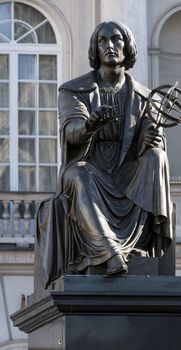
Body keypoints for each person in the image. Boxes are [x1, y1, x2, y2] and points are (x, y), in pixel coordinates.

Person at [37, 21, 173, 288]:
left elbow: (150, 136)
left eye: (116, 39)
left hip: (126, 173)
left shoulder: (145, 97)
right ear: (95, 48)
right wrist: (90, 124)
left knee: (157, 158)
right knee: (80, 174)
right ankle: (110, 253)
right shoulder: (74, 90)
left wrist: (150, 140)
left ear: (127, 46)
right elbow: (72, 131)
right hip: (89, 169)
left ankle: (147, 246)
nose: (110, 46)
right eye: (103, 41)